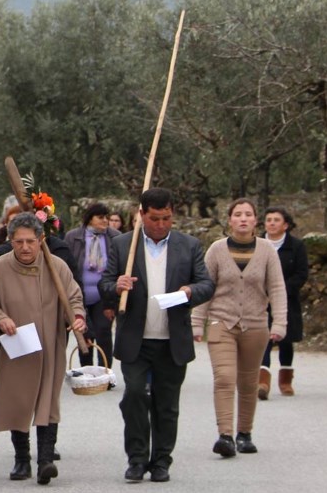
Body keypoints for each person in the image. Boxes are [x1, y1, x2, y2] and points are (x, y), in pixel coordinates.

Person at [99, 188, 215, 483]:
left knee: (167, 404)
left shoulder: (188, 246)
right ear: (141, 215)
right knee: (135, 395)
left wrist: (189, 291)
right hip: (135, 339)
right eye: (154, 219)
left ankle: (161, 460)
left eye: (166, 218)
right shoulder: (124, 245)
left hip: (172, 340)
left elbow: (206, 284)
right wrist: (117, 286)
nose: (161, 225)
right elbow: (105, 284)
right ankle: (137, 459)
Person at [0, 212, 85, 485]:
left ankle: (46, 460)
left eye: (30, 241)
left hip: (49, 343)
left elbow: (73, 296)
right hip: (16, 346)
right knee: (18, 400)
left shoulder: (57, 266)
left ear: (41, 240)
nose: (25, 247)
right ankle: (22, 459)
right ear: (10, 241)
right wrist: (0, 319)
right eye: (19, 242)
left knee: (48, 400)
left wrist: (78, 316)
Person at [192, 198, 287, 458]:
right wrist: (196, 323)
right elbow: (205, 288)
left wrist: (279, 323)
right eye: (238, 214)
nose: (243, 219)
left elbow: (277, 288)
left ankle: (245, 434)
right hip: (222, 322)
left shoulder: (267, 250)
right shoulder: (216, 250)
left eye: (248, 214)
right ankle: (225, 435)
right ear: (230, 220)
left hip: (256, 325)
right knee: (224, 378)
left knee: (248, 382)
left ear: (255, 220)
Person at [63, 202, 122, 367]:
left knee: (103, 331)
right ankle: (87, 370)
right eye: (100, 217)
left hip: (103, 295)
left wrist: (113, 301)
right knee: (84, 332)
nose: (105, 221)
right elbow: (68, 264)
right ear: (89, 219)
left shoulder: (115, 237)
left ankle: (105, 371)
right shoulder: (73, 237)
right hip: (79, 294)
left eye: (107, 218)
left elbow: (118, 268)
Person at [260, 206, 308, 398]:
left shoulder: (297, 246)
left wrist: (280, 291)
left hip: (287, 300)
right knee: (263, 338)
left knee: (286, 340)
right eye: (268, 219)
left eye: (276, 220)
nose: (271, 223)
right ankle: (262, 381)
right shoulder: (256, 244)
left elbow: (301, 274)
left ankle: (285, 380)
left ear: (285, 225)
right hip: (260, 300)